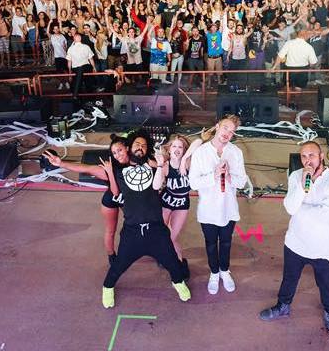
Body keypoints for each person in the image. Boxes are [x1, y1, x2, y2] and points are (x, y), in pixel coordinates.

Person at [258, 141, 329, 344]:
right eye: (304, 157)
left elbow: (325, 216)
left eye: (312, 155)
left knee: (326, 285)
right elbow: (291, 208)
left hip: (322, 247)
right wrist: (302, 185)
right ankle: (283, 306)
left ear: (321, 156)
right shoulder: (295, 176)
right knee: (289, 279)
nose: (308, 161)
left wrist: (302, 208)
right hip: (295, 242)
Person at [98, 131, 192, 308]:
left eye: (143, 145)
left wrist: (168, 159)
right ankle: (107, 287)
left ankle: (178, 282)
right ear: (128, 148)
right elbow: (106, 184)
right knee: (118, 266)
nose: (140, 147)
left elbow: (168, 161)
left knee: (172, 262)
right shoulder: (119, 170)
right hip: (132, 231)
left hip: (156, 230)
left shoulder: (154, 166)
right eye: (136, 144)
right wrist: (62, 163)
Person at [44, 135, 129, 265]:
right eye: (114, 153)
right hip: (111, 199)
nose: (118, 155)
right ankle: (111, 256)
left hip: (127, 200)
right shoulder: (107, 169)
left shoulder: (136, 163)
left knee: (134, 226)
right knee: (110, 230)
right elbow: (85, 168)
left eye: (120, 150)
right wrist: (61, 163)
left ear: (127, 148)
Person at [188, 114, 247, 295]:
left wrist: (228, 176)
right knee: (211, 243)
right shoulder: (201, 152)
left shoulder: (236, 152)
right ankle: (214, 273)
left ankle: (224, 271)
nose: (227, 133)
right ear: (217, 127)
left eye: (232, 131)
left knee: (226, 242)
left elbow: (242, 182)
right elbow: (193, 183)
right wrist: (213, 175)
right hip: (208, 210)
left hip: (228, 208)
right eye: (225, 128)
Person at [160, 135, 199, 263]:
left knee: (172, 237)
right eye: (174, 146)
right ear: (169, 149)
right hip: (165, 203)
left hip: (182, 204)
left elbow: (198, 141)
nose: (177, 149)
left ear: (184, 150)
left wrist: (183, 161)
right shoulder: (165, 166)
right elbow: (156, 185)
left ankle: (178, 264)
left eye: (180, 147)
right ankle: (164, 256)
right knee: (161, 234)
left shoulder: (188, 163)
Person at [67, 32, 96, 99]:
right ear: (80, 39)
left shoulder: (71, 49)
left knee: (80, 70)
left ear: (74, 39)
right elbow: (91, 59)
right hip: (84, 68)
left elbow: (69, 62)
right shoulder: (86, 47)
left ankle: (76, 94)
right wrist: (94, 67)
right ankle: (88, 97)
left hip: (78, 69)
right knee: (87, 81)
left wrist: (70, 72)